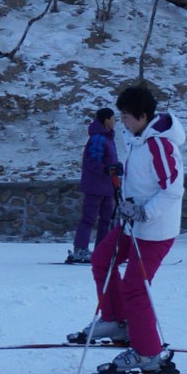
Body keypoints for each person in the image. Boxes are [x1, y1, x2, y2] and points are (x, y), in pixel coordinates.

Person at [73, 85, 186, 374]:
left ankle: (148, 352)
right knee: (101, 259)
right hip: (132, 225)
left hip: (155, 231)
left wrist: (144, 212)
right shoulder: (136, 138)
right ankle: (116, 320)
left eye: (125, 115)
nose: (121, 120)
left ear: (142, 115)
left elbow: (173, 190)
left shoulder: (160, 145)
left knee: (135, 287)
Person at [67, 107, 121, 263]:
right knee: (89, 218)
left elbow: (108, 161)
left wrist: (116, 167)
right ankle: (80, 250)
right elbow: (92, 161)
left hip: (107, 187)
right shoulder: (98, 138)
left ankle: (102, 251)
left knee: (106, 220)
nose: (115, 121)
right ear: (106, 120)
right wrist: (107, 169)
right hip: (95, 186)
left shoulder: (108, 139)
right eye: (113, 118)